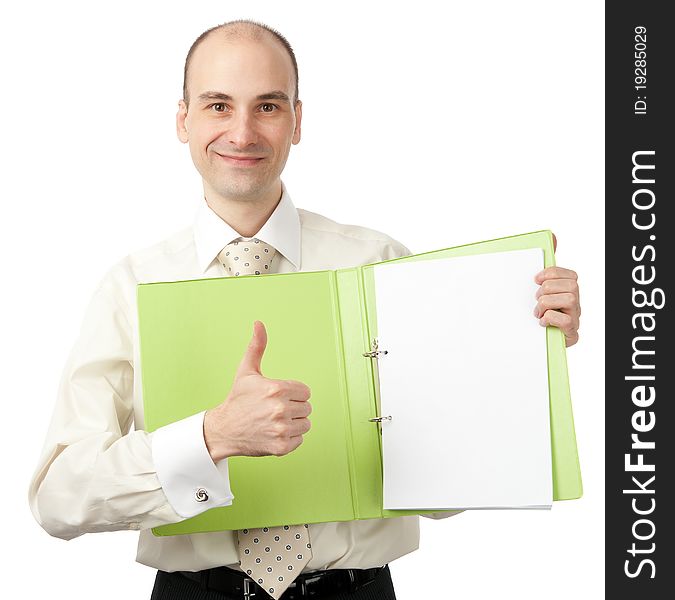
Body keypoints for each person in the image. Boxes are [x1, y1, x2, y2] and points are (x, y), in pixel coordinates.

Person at [28, 19, 582, 600]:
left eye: (267, 106)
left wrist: (524, 347)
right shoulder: (130, 286)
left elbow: (449, 484)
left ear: (297, 120)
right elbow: (58, 500)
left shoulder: (381, 263)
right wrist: (209, 438)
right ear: (183, 119)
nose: (242, 132)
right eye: (218, 105)